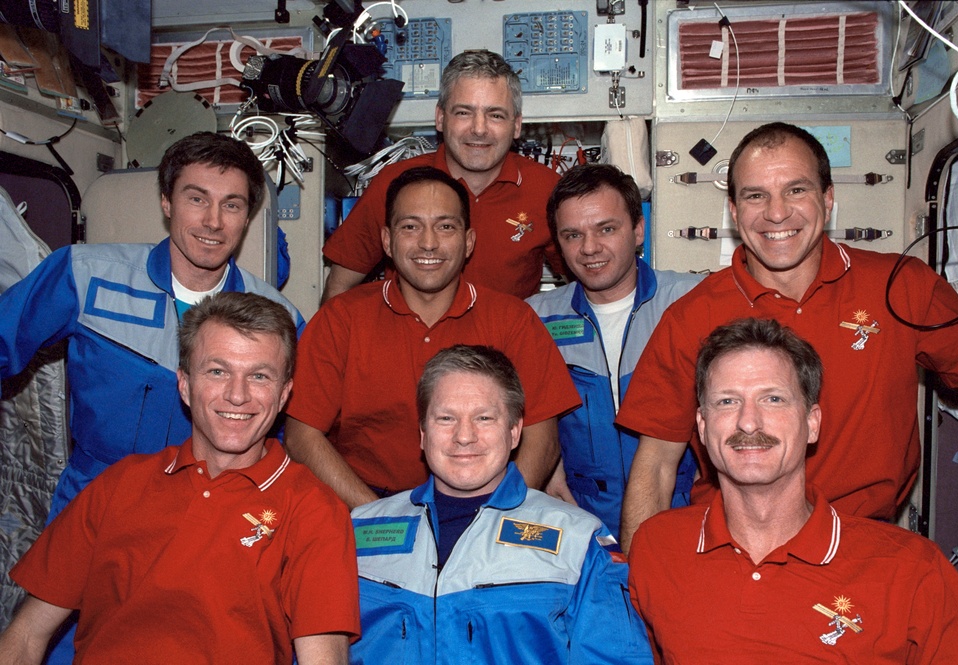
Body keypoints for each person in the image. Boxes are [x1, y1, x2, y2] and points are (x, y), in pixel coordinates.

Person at [616, 121, 958, 552]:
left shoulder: (901, 285)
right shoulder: (692, 317)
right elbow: (657, 463)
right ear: (733, 210)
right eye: (755, 195)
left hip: (867, 545)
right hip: (739, 551)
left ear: (828, 198)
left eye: (796, 190)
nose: (776, 213)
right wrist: (637, 586)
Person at [0, 292, 359, 664]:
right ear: (185, 384)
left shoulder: (315, 510)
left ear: (284, 394)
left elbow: (324, 660)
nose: (237, 395)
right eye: (217, 371)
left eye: (259, 376)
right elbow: (25, 636)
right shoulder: (119, 485)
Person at [628, 318, 958, 663]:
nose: (749, 421)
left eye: (773, 399)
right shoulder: (657, 549)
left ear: (812, 423)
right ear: (703, 427)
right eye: (728, 401)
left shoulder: (912, 572)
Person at [0, 131, 306, 525]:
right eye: (196, 199)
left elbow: (286, 440)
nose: (213, 222)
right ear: (167, 202)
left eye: (231, 205)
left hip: (209, 514)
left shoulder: (280, 318)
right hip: (94, 506)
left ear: (247, 217)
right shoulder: (84, 275)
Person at [286, 166, 579, 509]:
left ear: (468, 242)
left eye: (445, 227)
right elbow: (301, 435)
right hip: (363, 504)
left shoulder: (513, 320)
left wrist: (497, 515)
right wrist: (377, 518)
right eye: (410, 227)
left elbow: (543, 437)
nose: (428, 242)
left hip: (485, 502)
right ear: (386, 241)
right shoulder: (340, 319)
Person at [350, 345, 652, 665]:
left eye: (483, 417)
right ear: (423, 432)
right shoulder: (357, 530)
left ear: (514, 431)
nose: (464, 436)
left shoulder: (576, 540)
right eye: (446, 418)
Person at [526, 164, 702, 538]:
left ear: (639, 230)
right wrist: (546, 466)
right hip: (578, 522)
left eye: (607, 229)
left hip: (683, 513)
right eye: (572, 235)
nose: (589, 248)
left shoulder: (693, 303)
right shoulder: (532, 320)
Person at [321, 49, 562, 302]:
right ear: (440, 118)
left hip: (505, 340)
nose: (479, 129)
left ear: (516, 125)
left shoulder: (546, 190)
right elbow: (339, 290)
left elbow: (585, 283)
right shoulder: (395, 186)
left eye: (495, 115)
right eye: (463, 112)